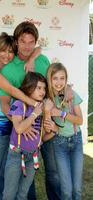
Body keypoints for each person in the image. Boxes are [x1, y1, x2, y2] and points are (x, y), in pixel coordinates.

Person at [0, 21, 61, 200]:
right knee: (26, 178)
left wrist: (67, 90)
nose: (27, 46)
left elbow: (52, 86)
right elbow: (4, 103)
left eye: (31, 42)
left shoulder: (42, 60)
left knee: (53, 171)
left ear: (35, 42)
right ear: (16, 41)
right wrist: (20, 125)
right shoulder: (9, 69)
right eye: (22, 41)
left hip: (45, 123)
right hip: (24, 131)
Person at [0, 32, 42, 200]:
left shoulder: (10, 68)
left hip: (13, 126)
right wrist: (34, 105)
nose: (7, 55)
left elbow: (39, 48)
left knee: (17, 169)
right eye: (3, 50)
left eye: (10, 51)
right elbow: (11, 91)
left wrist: (32, 59)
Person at [3, 72, 47, 200]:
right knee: (9, 194)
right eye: (38, 88)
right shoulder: (19, 104)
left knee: (23, 194)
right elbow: (19, 128)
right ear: (29, 87)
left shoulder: (41, 107)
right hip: (17, 154)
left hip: (33, 155)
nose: (42, 91)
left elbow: (41, 134)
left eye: (44, 88)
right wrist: (34, 114)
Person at [43, 63, 83, 200]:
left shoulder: (71, 95)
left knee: (76, 189)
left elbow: (80, 121)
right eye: (55, 78)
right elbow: (47, 129)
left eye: (62, 78)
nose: (59, 82)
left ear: (66, 80)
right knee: (66, 191)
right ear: (50, 79)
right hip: (60, 144)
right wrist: (47, 111)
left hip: (76, 140)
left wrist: (62, 113)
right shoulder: (48, 99)